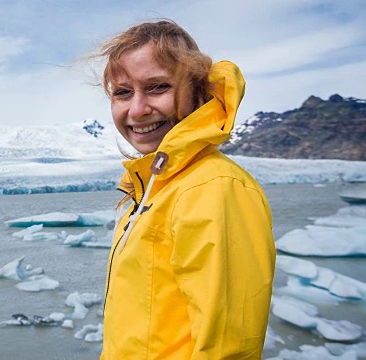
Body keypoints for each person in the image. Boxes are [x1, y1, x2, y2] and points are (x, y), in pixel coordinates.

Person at [99, 19, 276, 359]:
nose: (137, 109)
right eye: (123, 92)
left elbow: (228, 347)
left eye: (157, 87)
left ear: (197, 91)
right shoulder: (155, 186)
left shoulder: (214, 188)